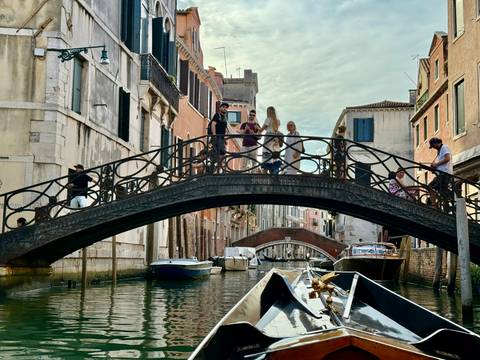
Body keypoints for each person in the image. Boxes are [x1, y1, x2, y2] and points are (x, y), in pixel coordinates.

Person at [428, 137, 453, 209]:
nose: (433, 148)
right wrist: (434, 168)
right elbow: (442, 163)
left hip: (445, 174)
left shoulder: (444, 147)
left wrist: (436, 164)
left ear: (436, 143)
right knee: (440, 190)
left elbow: (447, 158)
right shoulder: (439, 150)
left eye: (433, 146)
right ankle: (438, 204)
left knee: (432, 187)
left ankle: (435, 205)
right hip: (442, 174)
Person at [261, 107, 283, 174]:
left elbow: (262, 129)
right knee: (274, 157)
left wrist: (257, 131)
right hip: (275, 138)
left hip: (268, 138)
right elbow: (274, 129)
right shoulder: (277, 121)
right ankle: (273, 177)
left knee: (267, 158)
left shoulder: (268, 119)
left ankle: (264, 177)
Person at [208, 102, 229, 170]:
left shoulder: (225, 117)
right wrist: (214, 135)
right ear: (220, 108)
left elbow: (225, 128)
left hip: (222, 138)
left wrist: (225, 138)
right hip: (217, 137)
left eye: (226, 108)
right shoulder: (217, 115)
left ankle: (218, 168)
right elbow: (213, 124)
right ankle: (214, 167)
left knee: (222, 153)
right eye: (223, 107)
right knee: (218, 152)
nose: (225, 108)